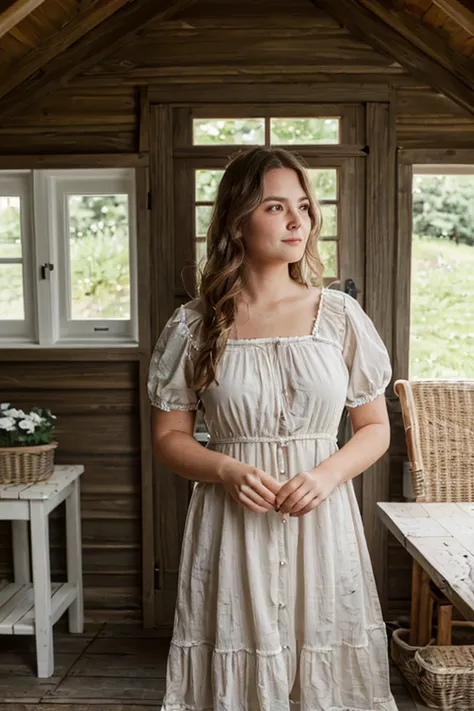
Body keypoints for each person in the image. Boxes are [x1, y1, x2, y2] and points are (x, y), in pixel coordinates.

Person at [147, 147, 398, 711]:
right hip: (232, 525)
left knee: (325, 668)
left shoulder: (338, 316)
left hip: (322, 521)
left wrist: (328, 474)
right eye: (276, 207)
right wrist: (225, 468)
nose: (297, 221)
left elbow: (374, 426)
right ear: (237, 221)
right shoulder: (194, 324)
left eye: (304, 207)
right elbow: (169, 439)